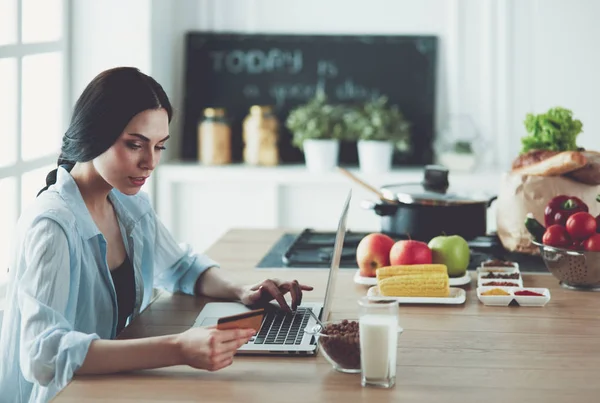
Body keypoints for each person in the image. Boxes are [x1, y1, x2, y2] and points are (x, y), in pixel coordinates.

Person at [0, 67, 313, 403]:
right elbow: (42, 356)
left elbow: (180, 268)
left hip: (105, 387)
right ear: (94, 135)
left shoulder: (127, 203)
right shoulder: (52, 226)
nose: (150, 162)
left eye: (159, 146)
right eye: (135, 145)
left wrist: (241, 291)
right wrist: (177, 347)